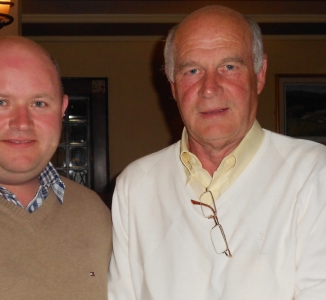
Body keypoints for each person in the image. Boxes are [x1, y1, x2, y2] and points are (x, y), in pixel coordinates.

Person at [108, 5, 326, 299]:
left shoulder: (313, 173)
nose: (209, 88)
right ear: (173, 86)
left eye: (230, 67)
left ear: (259, 75)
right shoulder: (135, 186)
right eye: (192, 70)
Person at [0, 36, 112, 300]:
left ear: (62, 109)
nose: (22, 123)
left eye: (39, 103)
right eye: (0, 102)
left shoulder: (94, 214)